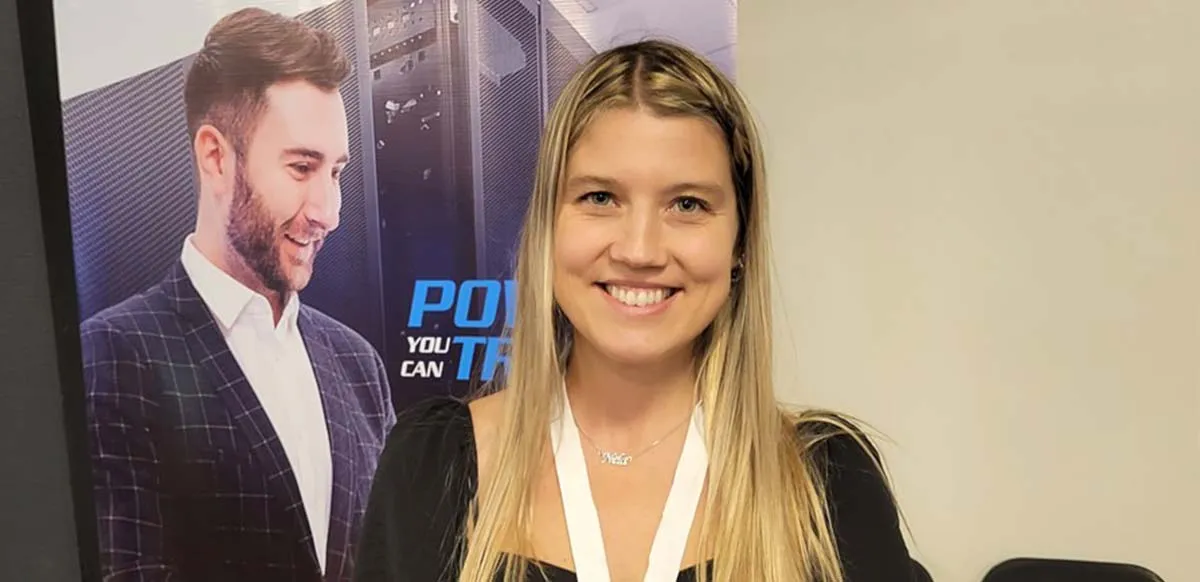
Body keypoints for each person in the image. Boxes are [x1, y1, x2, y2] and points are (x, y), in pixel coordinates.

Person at [353, 40, 915, 582]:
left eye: (688, 204)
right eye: (600, 198)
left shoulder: (827, 481)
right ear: (548, 225)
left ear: (739, 243)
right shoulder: (430, 466)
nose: (640, 250)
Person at [80, 8, 395, 581]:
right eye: (301, 167)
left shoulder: (359, 367)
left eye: (336, 173)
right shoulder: (114, 357)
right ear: (216, 157)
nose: (328, 212)